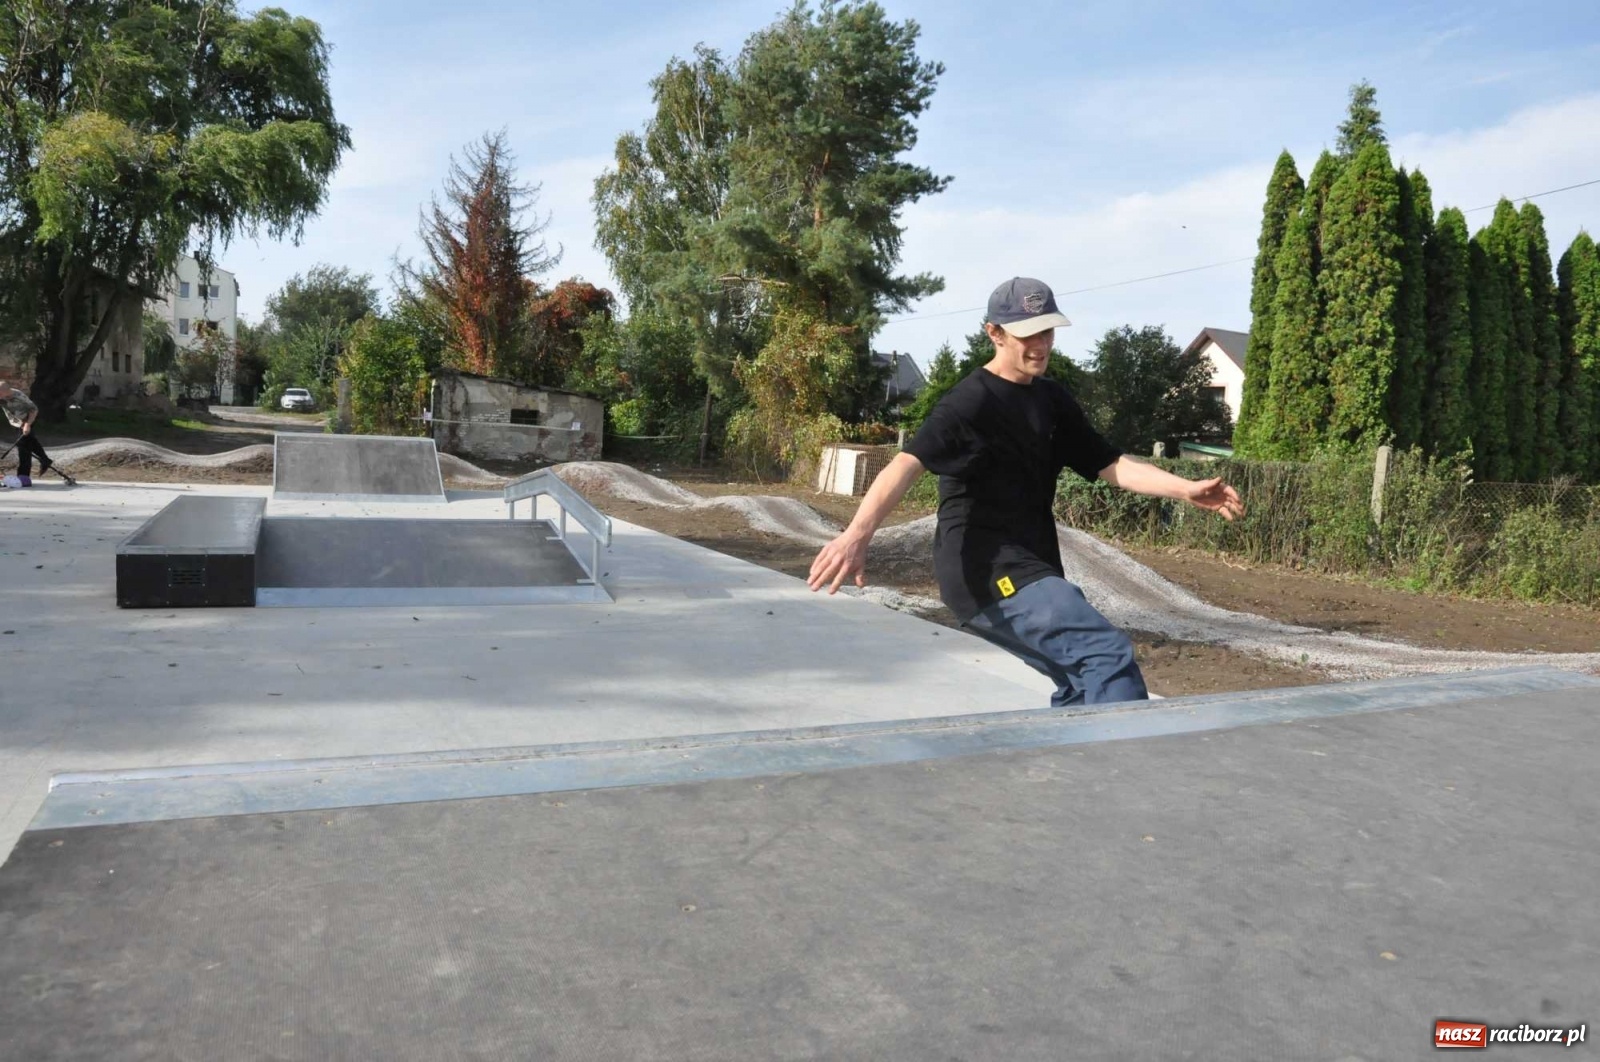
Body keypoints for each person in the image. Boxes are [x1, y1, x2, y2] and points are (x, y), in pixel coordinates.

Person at [807, 277, 1243, 706]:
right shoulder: (969, 402)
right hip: (987, 570)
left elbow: (1110, 464)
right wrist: (857, 535)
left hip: (1031, 564)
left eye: (1048, 331)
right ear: (994, 333)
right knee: (1105, 657)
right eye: (1028, 334)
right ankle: (1126, 769)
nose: (1042, 344)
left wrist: (1184, 488)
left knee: (1080, 684)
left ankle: (1071, 771)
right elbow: (906, 463)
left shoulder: (1051, 399)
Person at [0, 381, 72, 485]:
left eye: (0, 393)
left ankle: (24, 477)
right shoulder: (3, 396)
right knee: (31, 443)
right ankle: (45, 460)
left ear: (5, 391)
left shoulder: (19, 396)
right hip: (17, 423)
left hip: (26, 421)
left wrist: (27, 425)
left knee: (24, 450)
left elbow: (34, 410)